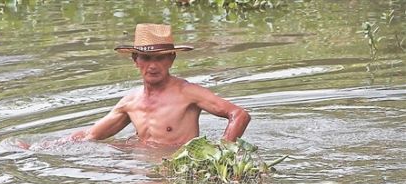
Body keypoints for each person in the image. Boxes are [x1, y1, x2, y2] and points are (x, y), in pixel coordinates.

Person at [19, 23, 250, 149]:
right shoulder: (131, 103)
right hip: (144, 169)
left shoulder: (187, 93)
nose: (153, 65)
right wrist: (41, 147)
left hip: (180, 171)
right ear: (135, 61)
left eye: (160, 58)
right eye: (146, 58)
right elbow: (91, 135)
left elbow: (238, 114)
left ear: (171, 59)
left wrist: (223, 152)